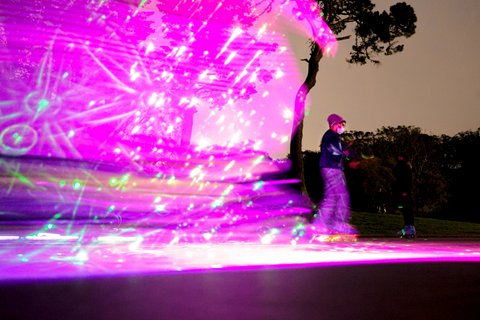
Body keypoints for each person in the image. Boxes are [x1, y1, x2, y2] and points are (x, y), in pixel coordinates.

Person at [312, 113, 357, 235]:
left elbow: (334, 150)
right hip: (333, 169)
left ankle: (319, 225)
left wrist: (345, 151)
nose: (343, 127)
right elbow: (332, 150)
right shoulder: (332, 135)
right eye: (341, 124)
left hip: (328, 168)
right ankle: (338, 223)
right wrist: (343, 153)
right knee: (342, 196)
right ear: (334, 124)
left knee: (330, 198)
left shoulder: (330, 136)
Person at [393, 153, 416, 238]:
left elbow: (408, 181)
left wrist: (406, 191)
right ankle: (408, 228)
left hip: (405, 192)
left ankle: (410, 229)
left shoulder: (406, 168)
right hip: (401, 192)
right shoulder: (400, 167)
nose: (399, 158)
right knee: (405, 210)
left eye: (401, 157)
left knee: (407, 210)